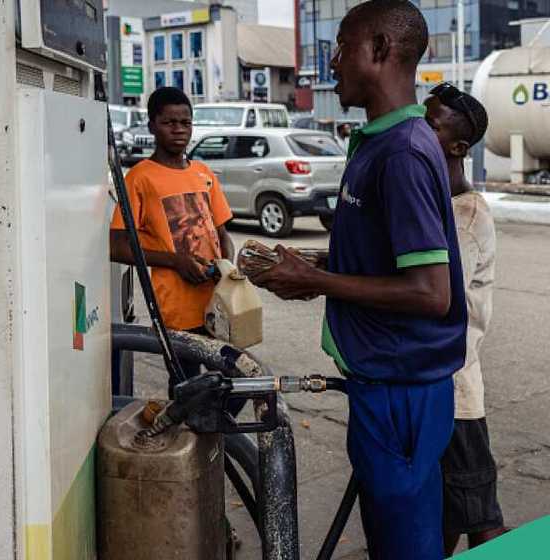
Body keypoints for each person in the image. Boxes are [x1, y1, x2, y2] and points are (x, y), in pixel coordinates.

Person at [249, 2, 467, 558]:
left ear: (379, 50)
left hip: (402, 395)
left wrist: (319, 283)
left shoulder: (404, 153)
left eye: (343, 45)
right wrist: (312, 267)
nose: (333, 60)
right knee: (390, 537)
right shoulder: (380, 143)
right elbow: (387, 258)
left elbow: (431, 293)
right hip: (383, 385)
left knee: (406, 546)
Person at [424, 84, 508, 554]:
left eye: (431, 125)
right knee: (444, 513)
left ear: (459, 147)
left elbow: (435, 299)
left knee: (480, 518)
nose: (419, 129)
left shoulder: (467, 214)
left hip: (457, 396)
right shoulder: (436, 203)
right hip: (435, 389)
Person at [109, 86, 234, 392]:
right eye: (169, 122)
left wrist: (226, 266)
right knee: (187, 390)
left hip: (216, 305)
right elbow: (117, 246)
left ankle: (213, 437)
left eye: (185, 122)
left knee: (235, 382)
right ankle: (191, 437)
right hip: (175, 312)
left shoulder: (204, 173)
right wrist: (175, 261)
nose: (179, 130)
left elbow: (223, 235)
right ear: (152, 125)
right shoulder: (140, 177)